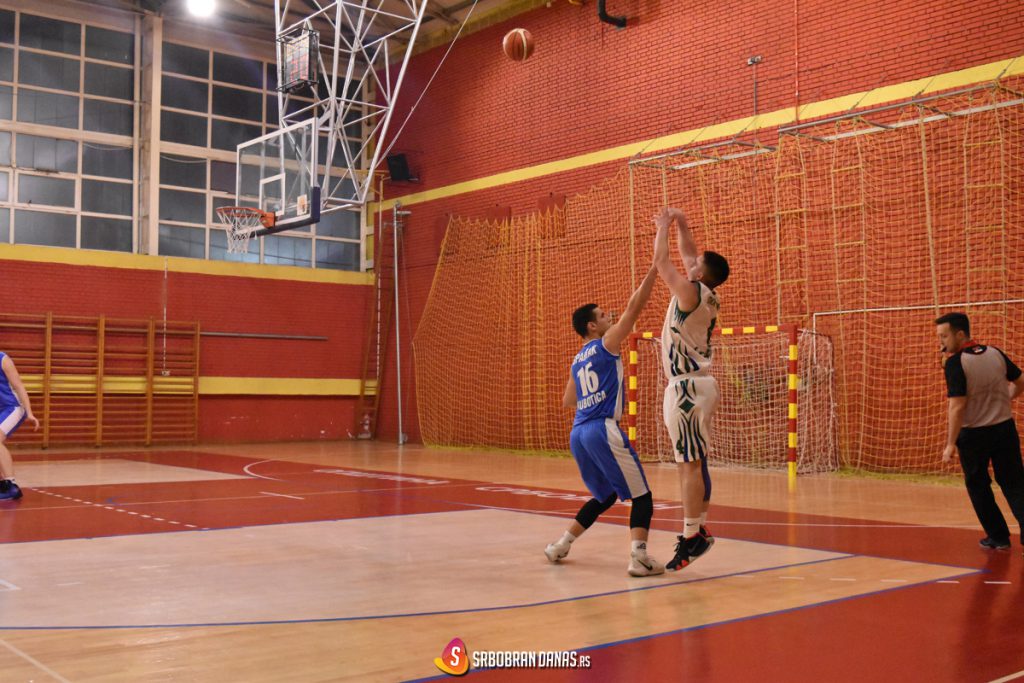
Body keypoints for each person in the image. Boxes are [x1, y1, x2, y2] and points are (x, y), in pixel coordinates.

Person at [544, 263, 664, 577]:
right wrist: (654, 271)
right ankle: (639, 558)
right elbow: (634, 308)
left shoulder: (578, 358)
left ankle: (561, 544)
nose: (608, 316)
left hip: (578, 432)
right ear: (592, 326)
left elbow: (568, 400)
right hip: (601, 428)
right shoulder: (606, 343)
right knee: (642, 495)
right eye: (601, 315)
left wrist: (593, 393)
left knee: (606, 495)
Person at [652, 206, 729, 571]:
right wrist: (681, 222)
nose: (691, 261)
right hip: (699, 386)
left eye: (695, 263)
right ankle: (696, 529)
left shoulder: (689, 293)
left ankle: (692, 536)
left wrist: (663, 227)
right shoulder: (706, 293)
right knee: (696, 462)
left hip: (686, 389)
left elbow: (662, 262)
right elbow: (688, 253)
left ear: (700, 274)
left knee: (689, 466)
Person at [936, 312, 1024, 554]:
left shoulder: (956, 363)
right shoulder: (995, 352)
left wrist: (950, 444)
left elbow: (957, 406)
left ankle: (998, 537)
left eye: (944, 336)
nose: (941, 342)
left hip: (974, 435)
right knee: (1015, 482)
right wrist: (1005, 400)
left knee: (978, 485)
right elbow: (1020, 381)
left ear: (960, 334)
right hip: (1004, 429)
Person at [0, 351, 40, 500]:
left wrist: (29, 413)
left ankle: (11, 485)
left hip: (13, 407)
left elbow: (19, 386)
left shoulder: (3, 359)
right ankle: (3, 484)